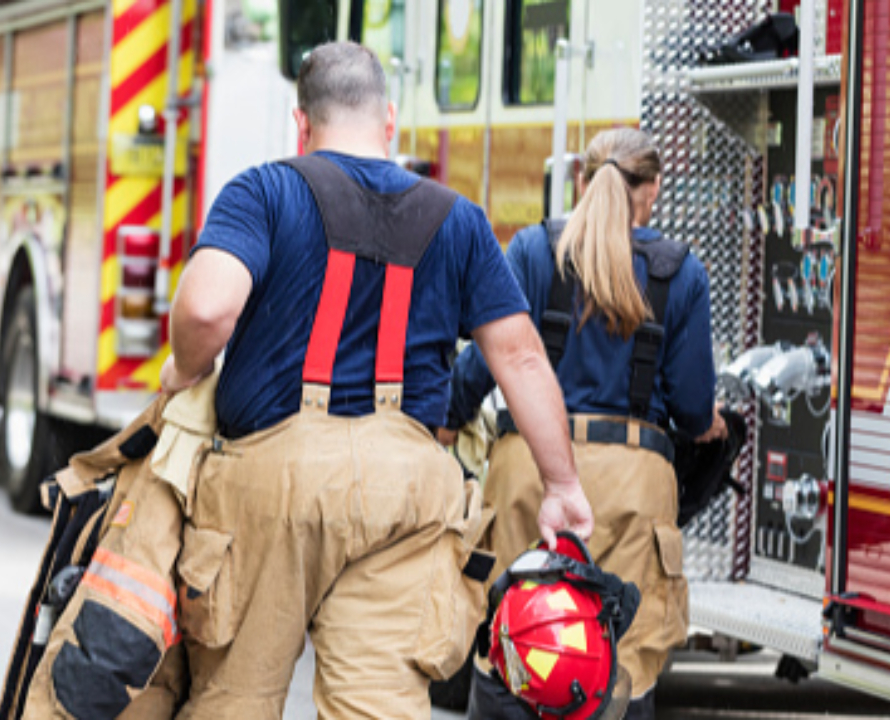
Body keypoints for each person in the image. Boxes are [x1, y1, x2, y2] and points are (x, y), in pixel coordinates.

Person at [158, 41, 593, 719]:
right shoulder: (460, 219)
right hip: (407, 493)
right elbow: (522, 359)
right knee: (378, 708)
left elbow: (209, 307)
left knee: (234, 702)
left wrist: (181, 371)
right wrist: (562, 485)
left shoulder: (264, 190)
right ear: (388, 117)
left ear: (301, 124)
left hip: (274, 484)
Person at [441, 128, 726, 719]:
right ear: (651, 192)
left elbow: (488, 361)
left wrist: (447, 423)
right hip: (633, 485)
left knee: (516, 640)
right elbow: (694, 408)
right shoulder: (682, 273)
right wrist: (712, 426)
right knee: (620, 665)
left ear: (580, 180)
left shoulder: (530, 250)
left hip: (531, 471)